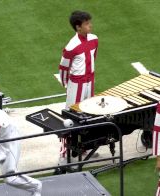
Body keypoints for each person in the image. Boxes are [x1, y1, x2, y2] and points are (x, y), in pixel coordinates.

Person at [57, 10, 99, 167]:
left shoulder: (94, 40)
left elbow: (93, 59)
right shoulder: (71, 47)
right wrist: (67, 85)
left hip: (90, 82)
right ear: (78, 27)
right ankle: (63, 152)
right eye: (87, 24)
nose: (90, 26)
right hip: (76, 84)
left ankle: (84, 148)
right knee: (70, 119)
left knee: (88, 115)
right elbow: (63, 68)